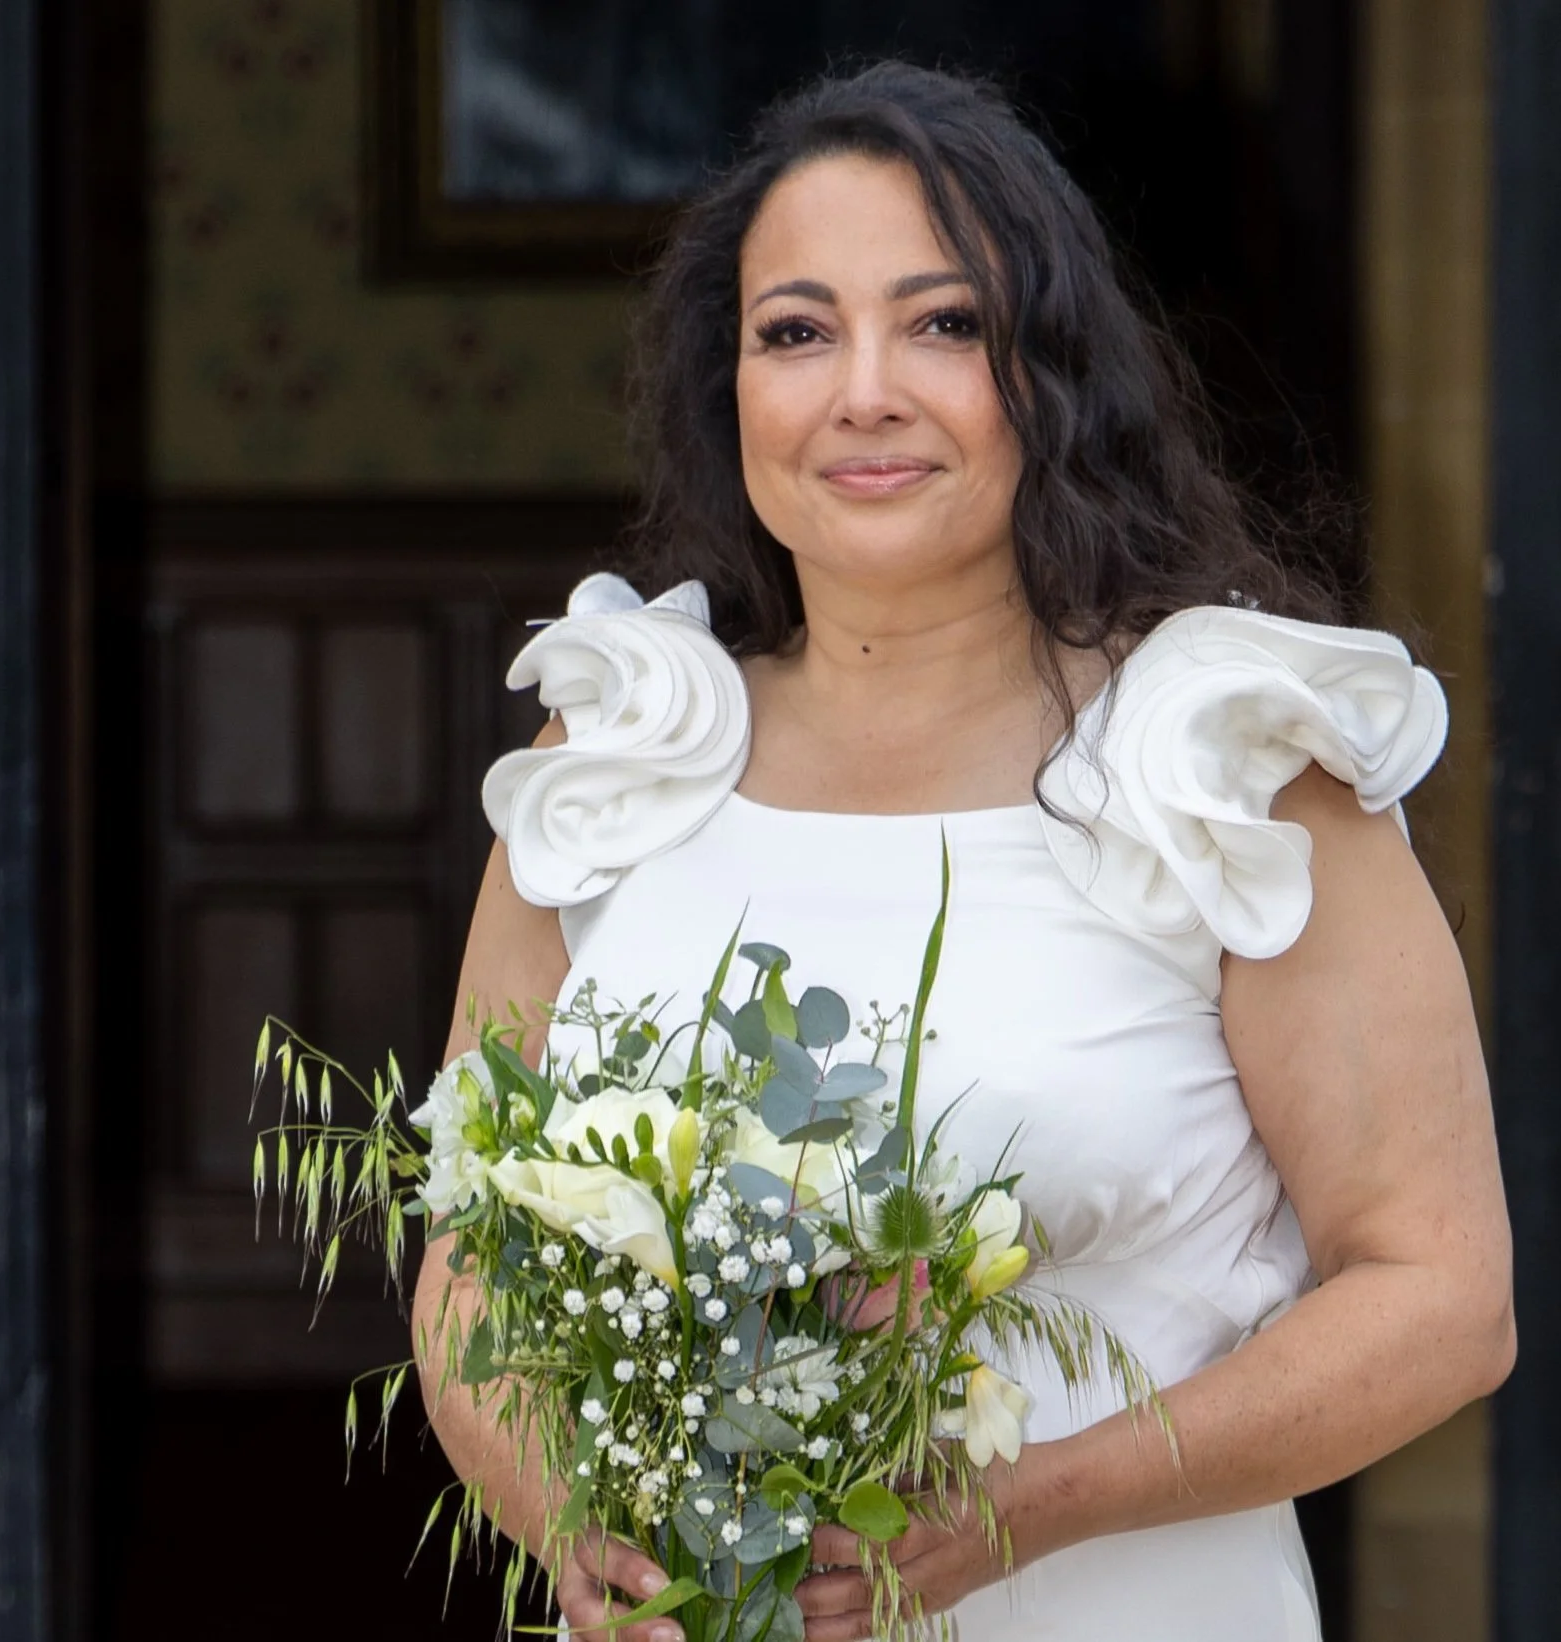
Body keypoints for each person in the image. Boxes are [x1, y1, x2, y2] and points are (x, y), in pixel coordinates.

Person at [413, 62, 1515, 1642]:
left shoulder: (1222, 765)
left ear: (1050, 373)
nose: (863, 389)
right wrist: (568, 1522)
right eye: (794, 330)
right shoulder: (613, 762)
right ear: (726, 389)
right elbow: (467, 1265)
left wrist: (1023, 1506)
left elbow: (1441, 1301)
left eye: (942, 324)